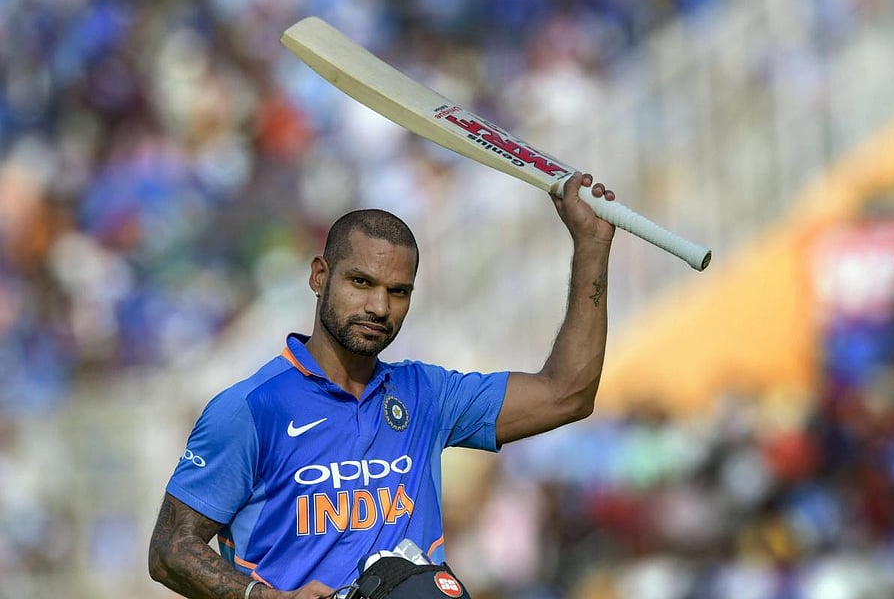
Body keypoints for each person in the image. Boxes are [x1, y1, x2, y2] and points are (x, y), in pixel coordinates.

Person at [148, 171, 616, 599]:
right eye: (361, 282)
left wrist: (592, 246)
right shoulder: (251, 408)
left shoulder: (426, 393)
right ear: (319, 276)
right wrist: (265, 598)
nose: (378, 307)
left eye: (398, 291)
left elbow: (567, 394)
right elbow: (170, 549)